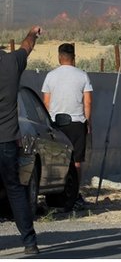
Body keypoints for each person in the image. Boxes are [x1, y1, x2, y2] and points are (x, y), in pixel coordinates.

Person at [0, 26, 42, 255]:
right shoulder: (12, 62)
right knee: (15, 191)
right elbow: (27, 46)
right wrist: (32, 32)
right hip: (6, 141)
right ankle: (29, 242)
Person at [41, 43, 93, 210]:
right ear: (74, 57)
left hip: (56, 125)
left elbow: (46, 103)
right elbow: (88, 102)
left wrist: (46, 123)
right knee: (76, 161)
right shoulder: (83, 75)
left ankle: (55, 194)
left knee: (56, 159)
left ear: (59, 57)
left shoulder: (50, 76)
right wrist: (88, 122)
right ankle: (74, 195)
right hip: (77, 123)